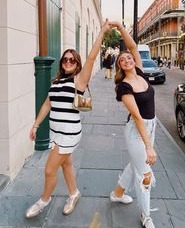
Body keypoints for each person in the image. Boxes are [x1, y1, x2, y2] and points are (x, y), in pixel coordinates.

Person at [25, 20, 112, 219]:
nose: (68, 62)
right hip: (57, 131)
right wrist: (36, 125)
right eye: (65, 59)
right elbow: (47, 104)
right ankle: (74, 194)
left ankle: (43, 201)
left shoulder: (79, 80)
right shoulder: (57, 81)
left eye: (72, 60)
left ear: (77, 63)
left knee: (49, 170)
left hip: (69, 134)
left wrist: (102, 32)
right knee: (66, 164)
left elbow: (91, 58)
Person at [109, 21, 158, 228]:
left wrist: (121, 28)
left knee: (135, 164)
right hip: (137, 132)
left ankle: (117, 193)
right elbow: (137, 117)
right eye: (122, 60)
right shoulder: (124, 87)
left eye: (129, 57)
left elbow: (133, 47)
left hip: (151, 126)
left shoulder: (141, 73)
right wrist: (149, 147)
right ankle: (146, 215)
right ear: (119, 66)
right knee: (144, 174)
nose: (127, 59)